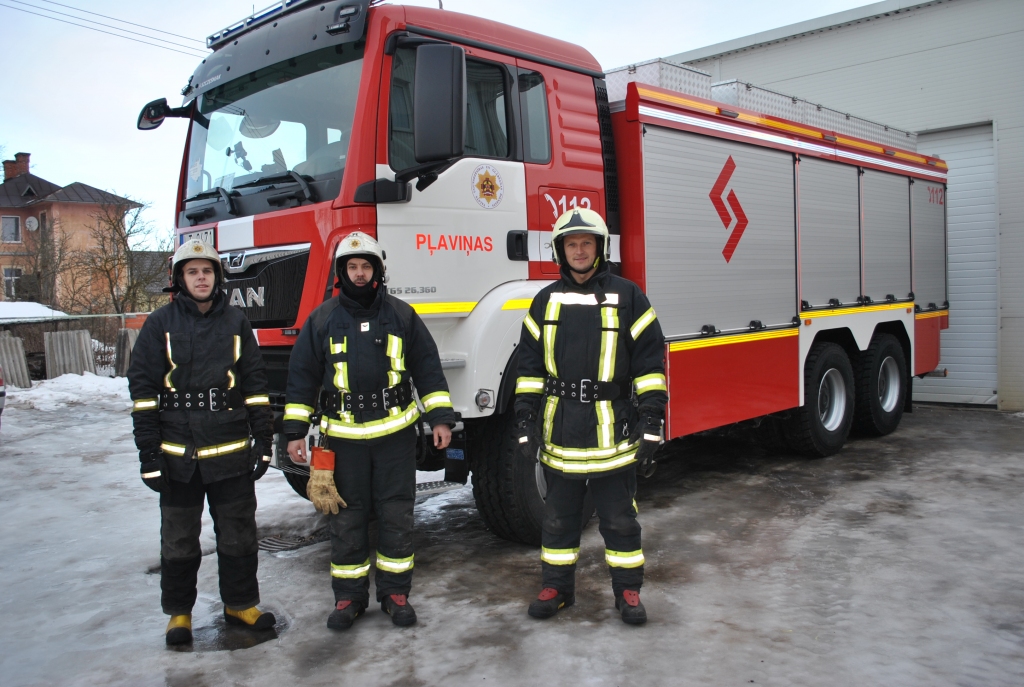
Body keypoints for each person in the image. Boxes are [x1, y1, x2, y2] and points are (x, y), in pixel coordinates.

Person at [283, 231, 456, 630]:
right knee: (345, 517)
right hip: (343, 441)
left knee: (397, 513)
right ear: (341, 272)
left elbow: (427, 369)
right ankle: (349, 599)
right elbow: (302, 379)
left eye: (366, 267)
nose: (359, 274)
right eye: (352, 267)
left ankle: (396, 594)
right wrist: (294, 431)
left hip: (396, 437)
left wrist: (440, 418)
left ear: (378, 271)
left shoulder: (402, 315)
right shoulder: (322, 319)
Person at [515, 208, 667, 625]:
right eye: (571, 244)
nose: (579, 251)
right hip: (560, 433)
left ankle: (628, 593)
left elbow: (650, 364)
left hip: (611, 434)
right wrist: (525, 420)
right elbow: (529, 368)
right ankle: (556, 589)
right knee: (558, 520)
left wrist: (652, 421)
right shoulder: (544, 301)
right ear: (560, 250)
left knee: (620, 521)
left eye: (586, 243)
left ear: (600, 248)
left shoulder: (629, 296)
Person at [128, 239, 276, 646]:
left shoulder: (236, 323)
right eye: (192, 271)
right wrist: (149, 455)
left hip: (230, 454)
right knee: (178, 539)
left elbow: (256, 386)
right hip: (180, 458)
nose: (200, 278)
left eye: (207, 271)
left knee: (239, 533)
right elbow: (142, 392)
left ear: (217, 277)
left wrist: (263, 440)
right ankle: (179, 615)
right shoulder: (160, 324)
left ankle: (241, 604)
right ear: (179, 278)